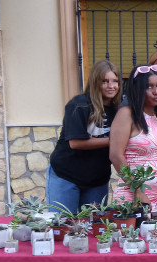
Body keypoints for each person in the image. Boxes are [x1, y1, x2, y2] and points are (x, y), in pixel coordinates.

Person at [47, 59, 121, 211]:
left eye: (115, 81)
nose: (111, 86)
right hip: (66, 176)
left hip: (97, 181)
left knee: (94, 228)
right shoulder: (79, 104)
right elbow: (76, 142)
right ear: (95, 82)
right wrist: (113, 141)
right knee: (62, 225)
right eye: (105, 81)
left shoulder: (119, 111)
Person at [109, 65, 157, 211]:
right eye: (149, 87)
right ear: (138, 89)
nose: (156, 92)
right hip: (133, 196)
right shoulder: (126, 114)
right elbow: (116, 156)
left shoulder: (155, 116)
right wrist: (138, 190)